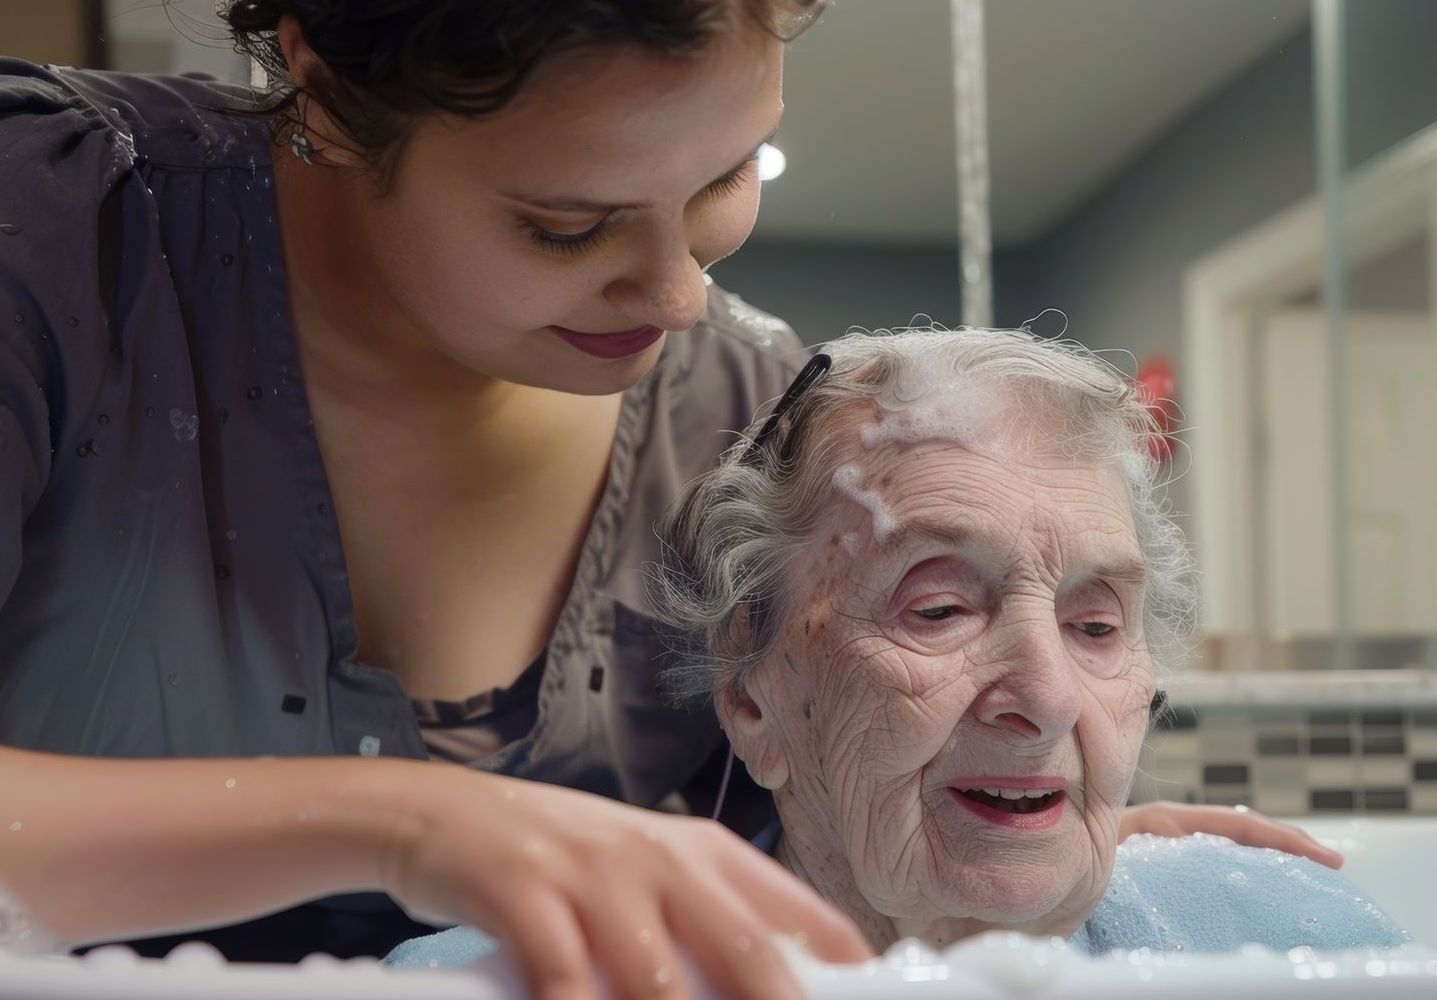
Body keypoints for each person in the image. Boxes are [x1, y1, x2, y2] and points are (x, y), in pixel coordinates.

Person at [0, 3, 1336, 996]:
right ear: (329, 91)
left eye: (725, 178)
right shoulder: (53, 236)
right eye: (566, 226)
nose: (675, 293)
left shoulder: (741, 414)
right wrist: (418, 826)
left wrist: (975, 840)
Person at [388, 326, 1404, 974]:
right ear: (752, 695)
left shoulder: (1297, 943)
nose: (1047, 696)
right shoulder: (509, 983)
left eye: (1097, 625)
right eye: (939, 610)